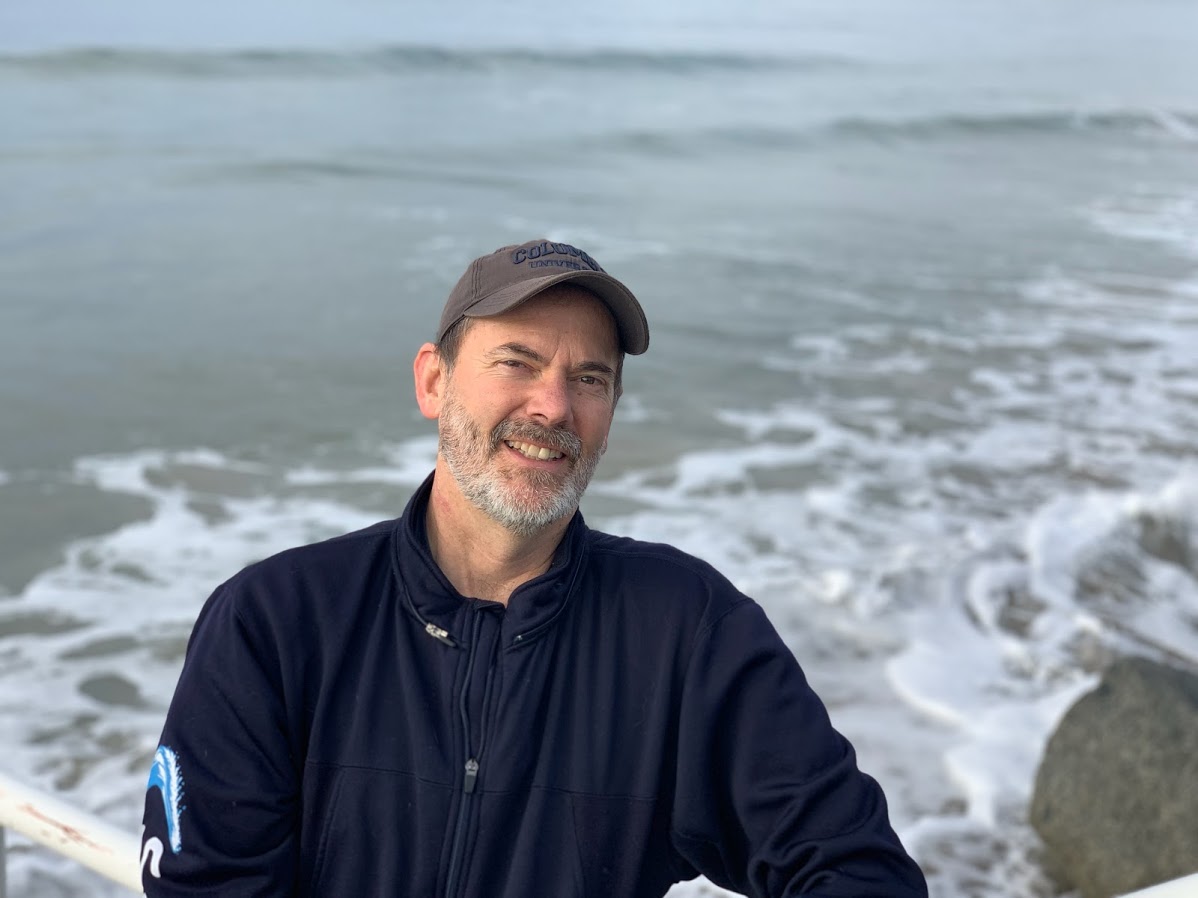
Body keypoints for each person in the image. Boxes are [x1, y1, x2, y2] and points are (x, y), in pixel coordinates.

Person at [140, 238, 928, 897]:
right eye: (516, 363)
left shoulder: (685, 630)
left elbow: (853, 867)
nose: (553, 406)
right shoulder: (277, 620)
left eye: (590, 378)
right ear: (433, 381)